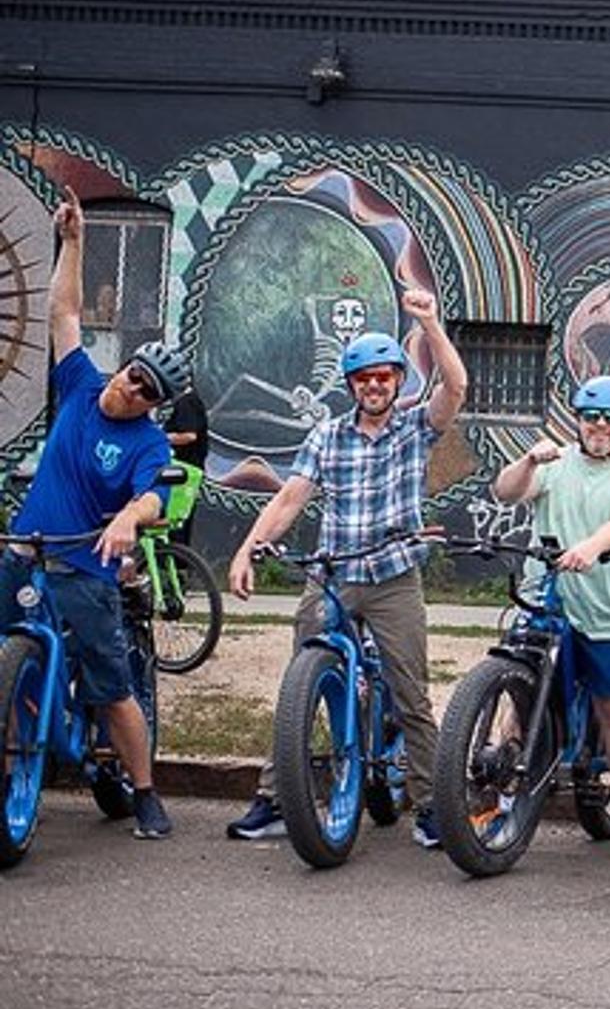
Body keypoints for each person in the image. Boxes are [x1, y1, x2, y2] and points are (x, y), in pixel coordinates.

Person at [223, 294, 469, 847]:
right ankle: (276, 799)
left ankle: (430, 806)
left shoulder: (415, 427)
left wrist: (429, 322)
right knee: (299, 686)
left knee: (411, 693)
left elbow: (455, 388)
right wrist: (246, 551)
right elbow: (289, 498)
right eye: (363, 378)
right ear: (351, 384)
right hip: (332, 576)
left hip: (393, 578)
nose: (374, 386)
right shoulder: (327, 435)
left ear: (398, 380)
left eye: (383, 376)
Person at [0, 188, 182, 840]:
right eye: (134, 374)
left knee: (112, 687)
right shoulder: (80, 382)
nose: (131, 388)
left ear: (152, 406)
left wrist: (131, 515)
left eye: (146, 391)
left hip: (86, 567)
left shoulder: (149, 443)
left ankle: (146, 791)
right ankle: (14, 769)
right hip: (25, 549)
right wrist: (74, 240)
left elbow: (154, 494)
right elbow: (64, 311)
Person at [489, 374, 610, 861]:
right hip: (543, 600)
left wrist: (593, 546)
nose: (600, 426)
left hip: (605, 610)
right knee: (520, 705)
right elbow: (505, 492)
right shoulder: (555, 462)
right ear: (579, 420)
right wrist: (528, 461)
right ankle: (505, 805)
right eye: (591, 417)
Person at [161, 385, 209, 545]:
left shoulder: (186, 401)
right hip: (183, 469)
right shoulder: (186, 401)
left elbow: (189, 435)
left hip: (184, 469)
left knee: (174, 519)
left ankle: (173, 554)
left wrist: (159, 437)